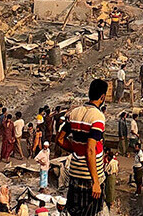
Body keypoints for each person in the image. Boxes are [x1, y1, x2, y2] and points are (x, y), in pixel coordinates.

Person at [57, 78, 109, 216]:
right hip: (90, 177)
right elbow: (90, 149)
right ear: (102, 97)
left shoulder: (74, 113)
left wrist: (76, 149)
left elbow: (60, 139)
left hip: (74, 173)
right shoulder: (98, 117)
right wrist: (96, 182)